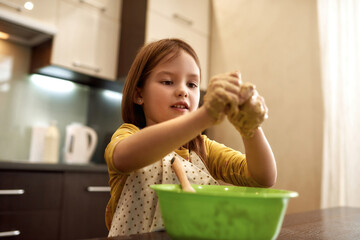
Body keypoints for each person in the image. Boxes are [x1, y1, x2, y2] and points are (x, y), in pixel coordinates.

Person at [104, 38, 276, 236]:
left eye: (192, 84)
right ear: (138, 94)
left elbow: (263, 177)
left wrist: (251, 129)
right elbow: (125, 157)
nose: (183, 91)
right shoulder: (128, 135)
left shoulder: (203, 149)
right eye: (168, 82)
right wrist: (205, 116)